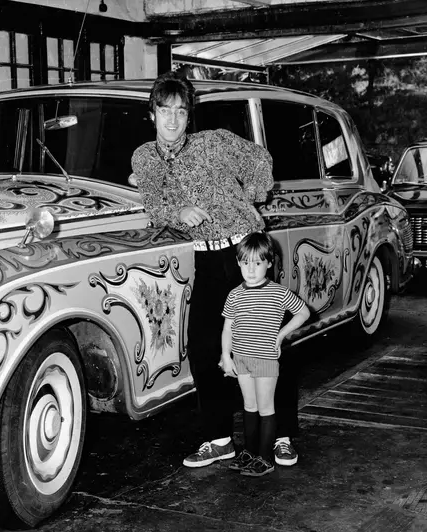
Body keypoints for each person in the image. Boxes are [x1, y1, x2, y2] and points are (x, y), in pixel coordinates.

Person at [131, 70, 299, 469]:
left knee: (269, 342)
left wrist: (252, 197)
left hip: (245, 254)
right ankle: (219, 438)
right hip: (206, 258)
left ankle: (283, 436)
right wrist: (178, 211)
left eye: (181, 112)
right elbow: (154, 206)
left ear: (190, 116)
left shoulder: (216, 142)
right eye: (165, 110)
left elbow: (261, 160)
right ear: (152, 113)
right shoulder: (143, 158)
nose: (173, 120)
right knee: (205, 348)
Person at [222, 232, 310, 476]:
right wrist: (226, 356)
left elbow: (303, 312)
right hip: (241, 357)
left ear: (269, 263)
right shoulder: (234, 294)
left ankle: (265, 457)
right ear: (238, 263)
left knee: (265, 407)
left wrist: (281, 335)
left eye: (258, 263)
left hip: (264, 359)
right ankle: (249, 452)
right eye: (246, 263)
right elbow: (227, 327)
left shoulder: (277, 293)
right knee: (248, 406)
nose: (251, 269)